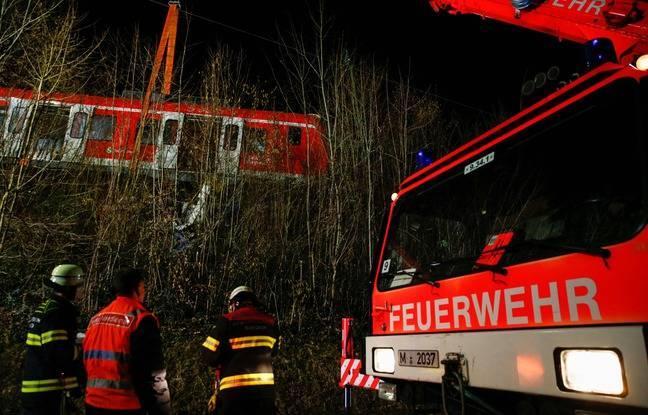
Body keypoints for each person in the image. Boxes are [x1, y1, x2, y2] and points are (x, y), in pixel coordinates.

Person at [83, 268, 171, 415]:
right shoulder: (141, 319)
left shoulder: (96, 319)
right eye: (144, 287)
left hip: (93, 403)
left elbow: (86, 360)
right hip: (127, 405)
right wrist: (162, 409)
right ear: (137, 289)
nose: (145, 292)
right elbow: (153, 372)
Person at [201, 286, 280, 415]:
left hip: (233, 395)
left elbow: (207, 356)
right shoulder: (270, 322)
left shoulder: (227, 321)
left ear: (234, 304)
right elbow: (274, 351)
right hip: (265, 395)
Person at [20, 264, 85, 415]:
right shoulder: (58, 313)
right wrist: (80, 348)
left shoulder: (47, 308)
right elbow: (59, 353)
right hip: (46, 393)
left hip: (37, 390)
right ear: (70, 288)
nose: (82, 289)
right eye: (80, 285)